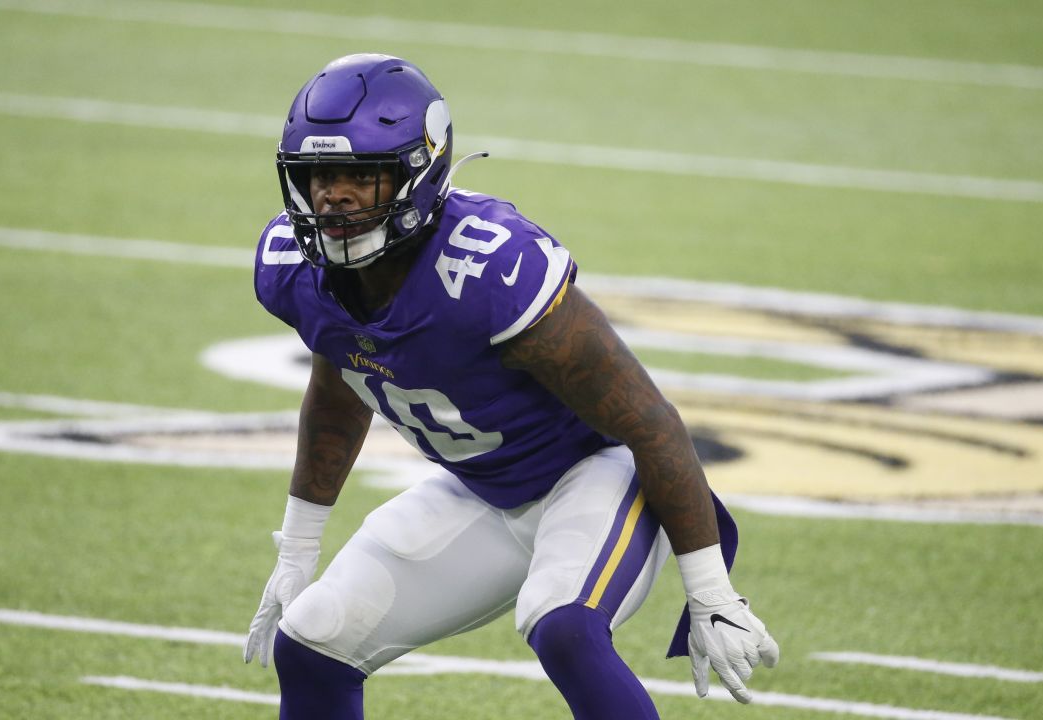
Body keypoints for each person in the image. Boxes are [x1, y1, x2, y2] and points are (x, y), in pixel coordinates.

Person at [244, 53, 779, 719]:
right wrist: (298, 548)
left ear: (418, 171)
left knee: (563, 625)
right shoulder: (295, 266)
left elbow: (649, 421)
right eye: (321, 176)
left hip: (598, 475)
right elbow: (340, 379)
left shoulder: (490, 269)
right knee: (313, 643)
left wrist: (711, 588)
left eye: (361, 175)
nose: (334, 196)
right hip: (484, 489)